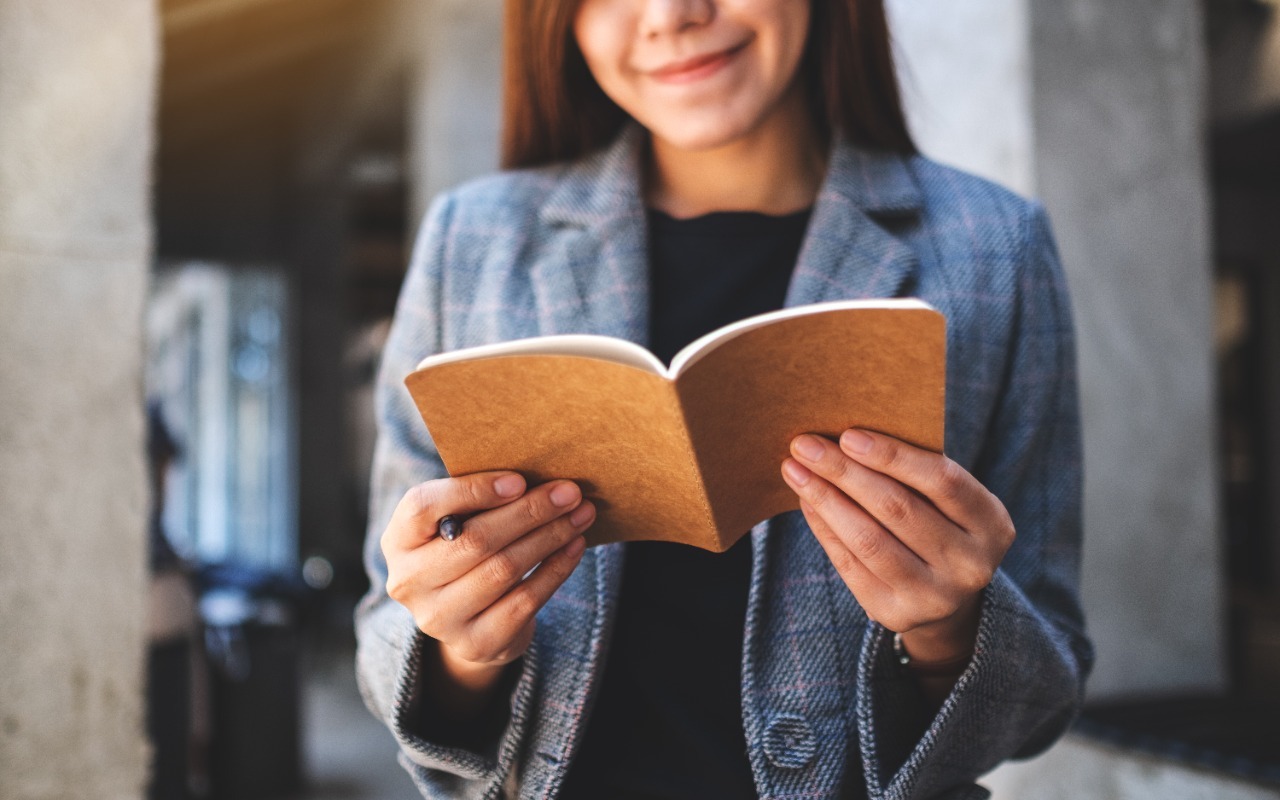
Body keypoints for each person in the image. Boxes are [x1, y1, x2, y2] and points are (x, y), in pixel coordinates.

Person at [356, 1, 1093, 797]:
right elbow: (383, 627)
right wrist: (461, 648)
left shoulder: (993, 246)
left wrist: (948, 629)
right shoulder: (472, 240)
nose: (672, 15)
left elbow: (1046, 683)